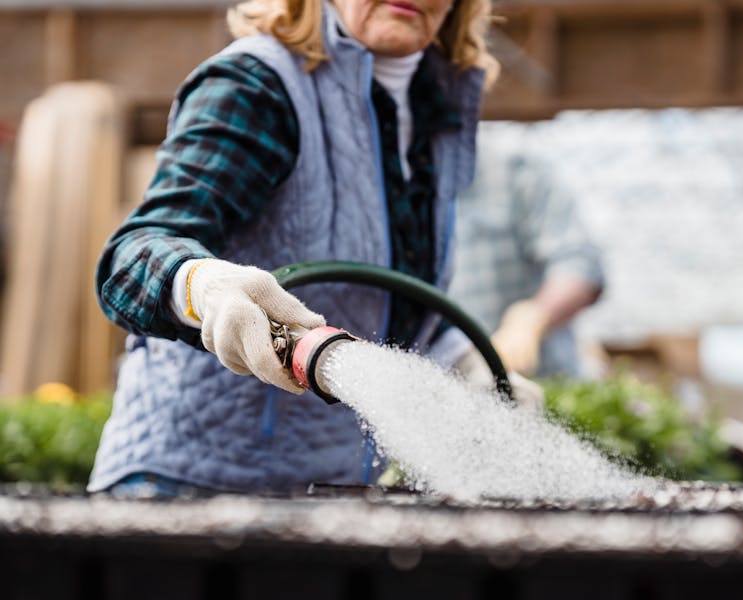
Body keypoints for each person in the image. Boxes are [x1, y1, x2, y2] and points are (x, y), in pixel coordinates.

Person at [88, 0, 500, 496]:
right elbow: (130, 257)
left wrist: (459, 362)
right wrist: (204, 287)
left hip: (331, 492)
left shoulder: (438, 107)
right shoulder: (257, 85)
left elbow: (383, 297)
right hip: (186, 485)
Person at [445, 122, 605, 380]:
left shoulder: (515, 169)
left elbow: (580, 263)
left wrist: (532, 317)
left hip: (539, 379)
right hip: (445, 387)